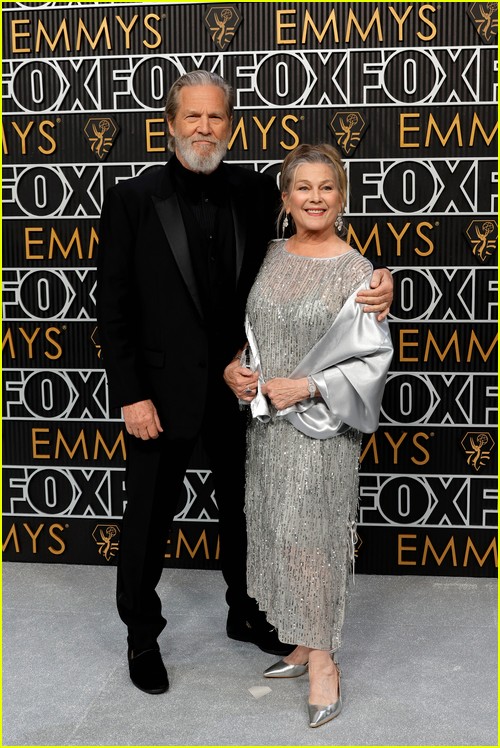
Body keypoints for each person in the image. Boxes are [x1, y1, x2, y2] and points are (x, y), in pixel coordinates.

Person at [96, 71, 394, 696]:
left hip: (242, 388)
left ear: (229, 126)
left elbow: (311, 254)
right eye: (193, 118)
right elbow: (114, 306)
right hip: (160, 392)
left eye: (216, 119)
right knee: (148, 517)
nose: (204, 129)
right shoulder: (131, 198)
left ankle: (246, 609)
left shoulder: (260, 193)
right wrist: (131, 393)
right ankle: (142, 636)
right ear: (171, 123)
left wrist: (379, 284)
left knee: (246, 512)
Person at [223, 143, 393, 727]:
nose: (315, 198)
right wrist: (237, 368)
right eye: (303, 188)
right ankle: (299, 642)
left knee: (314, 536)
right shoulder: (265, 255)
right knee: (278, 531)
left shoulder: (358, 272)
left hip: (322, 432)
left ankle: (324, 661)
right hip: (268, 425)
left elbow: (371, 360)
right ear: (286, 198)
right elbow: (247, 326)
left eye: (327, 187)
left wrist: (311, 388)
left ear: (342, 198)